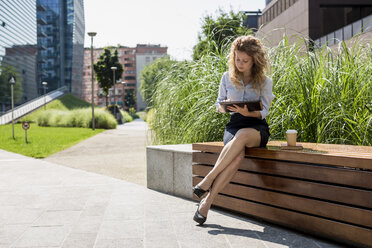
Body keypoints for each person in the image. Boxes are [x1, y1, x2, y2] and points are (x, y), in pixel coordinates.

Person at [193, 35, 274, 225]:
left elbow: (265, 111)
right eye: (237, 59)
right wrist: (224, 107)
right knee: (237, 157)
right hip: (234, 123)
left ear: (255, 60)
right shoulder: (226, 77)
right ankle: (206, 204)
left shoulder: (265, 81)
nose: (240, 63)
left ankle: (207, 180)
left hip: (255, 127)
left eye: (245, 60)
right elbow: (218, 103)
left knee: (243, 135)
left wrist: (248, 112)